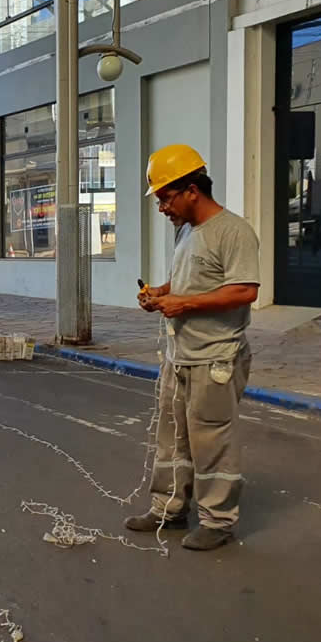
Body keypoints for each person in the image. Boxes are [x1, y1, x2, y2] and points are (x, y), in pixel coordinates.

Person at [126, 144, 260, 551]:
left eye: (165, 197)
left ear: (191, 191)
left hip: (214, 358)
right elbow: (189, 283)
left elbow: (244, 291)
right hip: (179, 357)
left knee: (212, 441)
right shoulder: (186, 232)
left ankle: (218, 522)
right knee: (173, 439)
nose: (162, 207)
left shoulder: (233, 232)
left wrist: (182, 304)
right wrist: (161, 294)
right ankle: (169, 509)